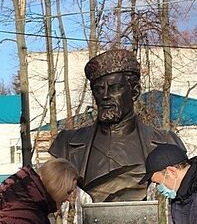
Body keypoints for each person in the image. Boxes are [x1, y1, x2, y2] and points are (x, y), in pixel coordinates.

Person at [49, 48, 185, 202]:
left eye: (114, 88)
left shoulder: (166, 142)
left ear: (134, 92)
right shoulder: (66, 144)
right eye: (99, 89)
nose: (105, 96)